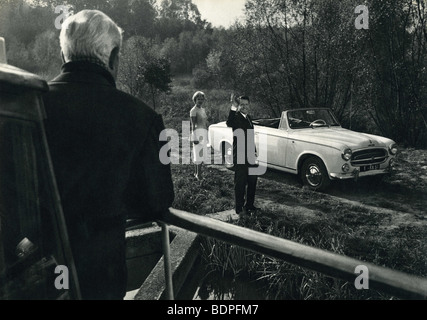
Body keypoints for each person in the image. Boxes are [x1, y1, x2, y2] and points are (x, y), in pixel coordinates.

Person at [42, 10, 174, 300]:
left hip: (33, 271)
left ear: (63, 56)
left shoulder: (30, 107)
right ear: (114, 58)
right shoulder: (144, 118)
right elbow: (160, 199)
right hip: (101, 277)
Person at [226, 94, 259, 216]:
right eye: (242, 104)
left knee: (252, 180)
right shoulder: (235, 117)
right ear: (238, 106)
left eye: (246, 104)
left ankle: (250, 205)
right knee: (240, 182)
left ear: (249, 105)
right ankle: (239, 208)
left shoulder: (249, 118)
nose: (244, 107)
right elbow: (229, 122)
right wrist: (233, 107)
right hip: (239, 155)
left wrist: (254, 152)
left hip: (250, 155)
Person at [190, 91, 209, 180]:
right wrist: (194, 137)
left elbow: (205, 122)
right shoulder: (193, 110)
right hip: (197, 133)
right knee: (198, 154)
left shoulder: (202, 109)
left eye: (202, 99)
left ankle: (196, 173)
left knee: (201, 154)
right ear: (195, 100)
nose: (200, 101)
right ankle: (199, 175)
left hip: (203, 133)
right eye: (198, 99)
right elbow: (193, 125)